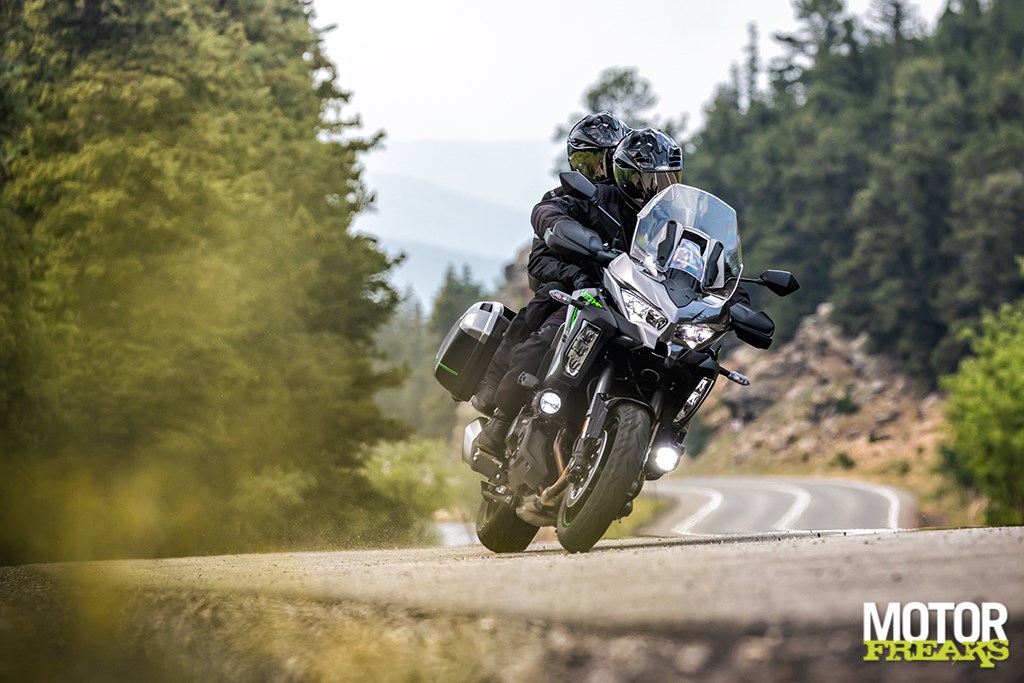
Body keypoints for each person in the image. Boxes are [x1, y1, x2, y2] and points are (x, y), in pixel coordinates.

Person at [477, 127, 702, 455]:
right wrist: (573, 252)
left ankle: (664, 437)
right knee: (544, 330)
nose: (652, 189)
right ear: (623, 174)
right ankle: (500, 419)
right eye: (643, 179)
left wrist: (730, 296)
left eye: (664, 180)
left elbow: (702, 262)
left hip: (643, 306)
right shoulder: (594, 199)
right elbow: (547, 216)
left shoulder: (677, 223)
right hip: (588, 293)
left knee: (687, 359)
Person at [470, 112, 631, 415]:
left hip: (627, 300)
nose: (595, 171)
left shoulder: (635, 206)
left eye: (601, 161)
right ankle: (497, 401)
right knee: (544, 319)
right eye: (585, 163)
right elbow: (540, 254)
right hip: (575, 292)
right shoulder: (566, 197)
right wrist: (576, 273)